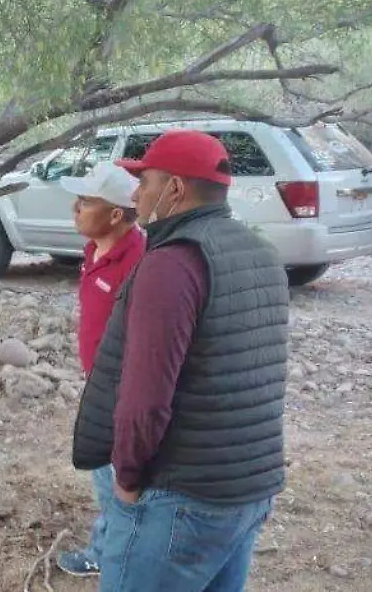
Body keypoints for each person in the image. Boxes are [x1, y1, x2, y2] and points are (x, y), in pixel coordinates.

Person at [72, 130, 290, 591]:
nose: (137, 194)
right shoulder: (262, 253)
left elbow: (145, 397)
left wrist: (126, 481)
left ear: (174, 189)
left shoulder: (171, 264)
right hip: (249, 487)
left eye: (146, 181)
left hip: (182, 497)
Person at [55, 161, 146, 578]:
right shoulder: (93, 249)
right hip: (99, 379)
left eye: (87, 201)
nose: (76, 207)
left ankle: (111, 555)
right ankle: (116, 548)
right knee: (103, 470)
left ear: (115, 214)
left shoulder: (139, 261)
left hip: (123, 387)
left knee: (112, 474)